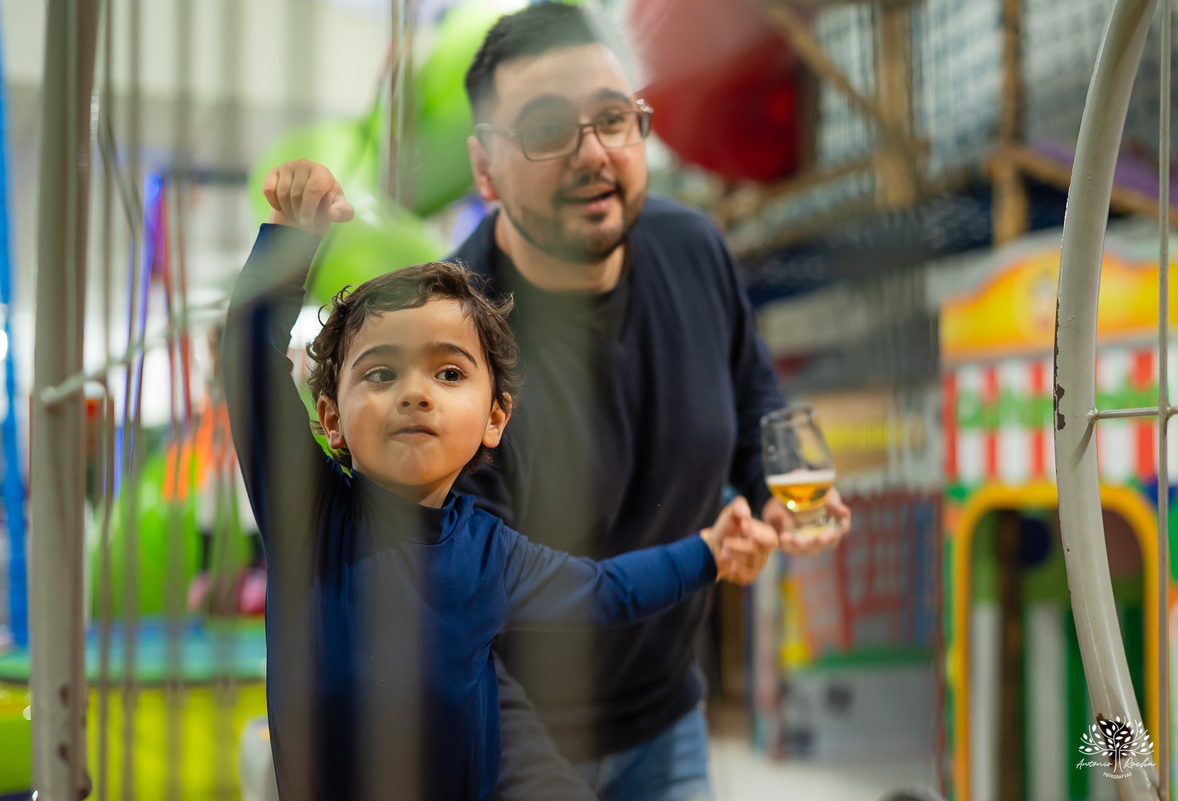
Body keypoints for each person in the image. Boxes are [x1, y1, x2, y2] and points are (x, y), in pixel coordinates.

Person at [222, 166, 775, 801]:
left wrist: (709, 551)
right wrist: (293, 235)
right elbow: (246, 353)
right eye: (380, 374)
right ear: (330, 421)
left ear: (494, 417)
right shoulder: (310, 517)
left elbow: (608, 592)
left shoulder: (493, 553)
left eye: (449, 373)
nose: (414, 394)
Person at [453, 5, 851, 800]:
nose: (593, 154)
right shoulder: (452, 342)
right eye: (546, 129)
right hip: (512, 744)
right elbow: (455, 620)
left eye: (612, 119)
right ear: (486, 167)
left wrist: (781, 487)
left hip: (668, 721)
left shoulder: (693, 248)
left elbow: (753, 390)